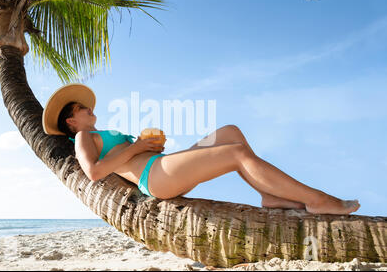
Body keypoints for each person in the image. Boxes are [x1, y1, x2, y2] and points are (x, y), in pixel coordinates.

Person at [42, 83, 360, 215]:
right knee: (236, 153)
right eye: (81, 109)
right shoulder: (83, 138)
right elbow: (95, 172)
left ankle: (269, 196)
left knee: (229, 132)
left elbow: (127, 155)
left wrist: (148, 146)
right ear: (71, 120)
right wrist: (138, 146)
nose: (88, 110)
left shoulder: (98, 133)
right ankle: (316, 200)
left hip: (162, 164)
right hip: (156, 178)